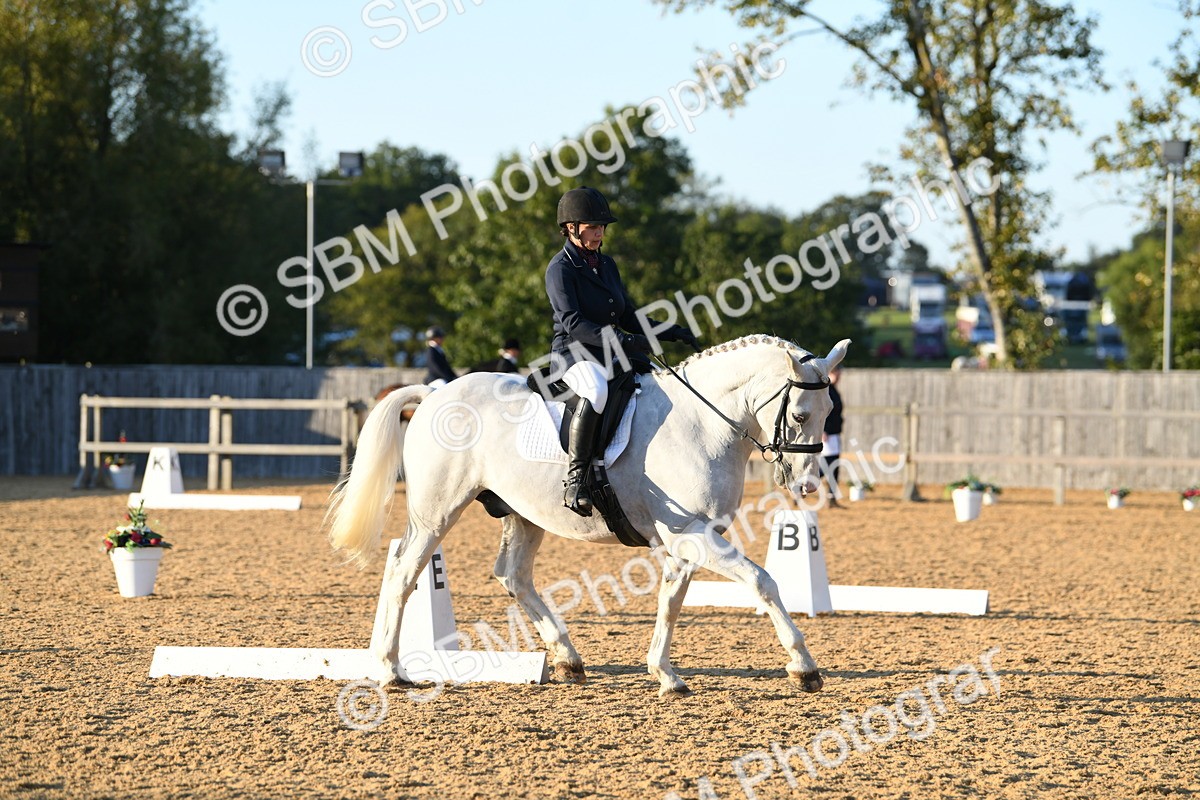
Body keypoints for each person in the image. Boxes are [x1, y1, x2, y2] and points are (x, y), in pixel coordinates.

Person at [545, 186, 699, 517]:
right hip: (573, 354)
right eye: (592, 226)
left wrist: (668, 331)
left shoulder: (607, 264)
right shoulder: (560, 268)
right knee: (597, 390)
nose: (599, 232)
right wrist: (624, 340)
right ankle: (576, 478)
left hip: (611, 351)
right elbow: (573, 322)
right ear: (571, 227)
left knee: (653, 382)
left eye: (602, 227)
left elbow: (628, 314)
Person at [820, 365, 844, 507]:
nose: (839, 377)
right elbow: (822, 412)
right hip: (827, 434)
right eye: (837, 374)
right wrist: (823, 430)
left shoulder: (833, 390)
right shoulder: (826, 390)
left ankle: (832, 497)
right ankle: (801, 487)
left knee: (834, 466)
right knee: (827, 466)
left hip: (834, 433)